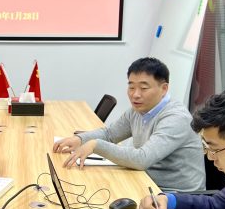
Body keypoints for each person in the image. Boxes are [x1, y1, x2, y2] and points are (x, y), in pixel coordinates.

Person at [53, 57, 205, 192]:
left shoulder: (176, 118)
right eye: (131, 87)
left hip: (176, 196)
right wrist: (80, 139)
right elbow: (110, 134)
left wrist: (96, 145)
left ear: (164, 89)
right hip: (145, 181)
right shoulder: (138, 110)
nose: (135, 94)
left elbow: (142, 159)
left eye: (143, 88)